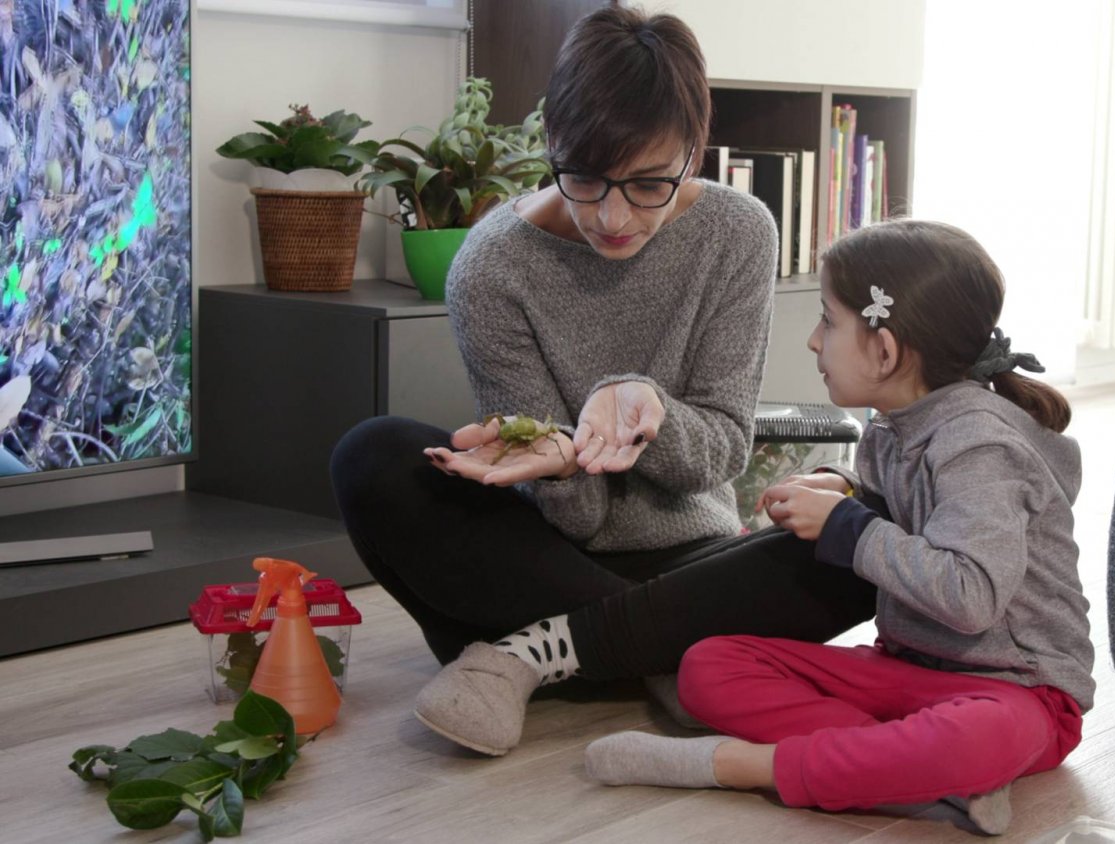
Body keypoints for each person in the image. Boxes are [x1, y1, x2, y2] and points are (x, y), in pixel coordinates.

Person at [328, 6, 874, 757]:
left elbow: (717, 457)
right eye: (584, 178)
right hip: (542, 560)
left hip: (693, 557)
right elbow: (575, 522)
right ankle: (673, 652)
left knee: (865, 540)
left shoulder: (737, 232)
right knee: (373, 455)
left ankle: (542, 655)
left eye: (648, 183)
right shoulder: (492, 268)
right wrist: (559, 457)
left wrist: (644, 404)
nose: (613, 216)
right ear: (550, 143)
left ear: (694, 151)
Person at [581, 219, 1095, 837]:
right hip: (911, 668)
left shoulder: (978, 444)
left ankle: (744, 765)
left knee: (982, 737)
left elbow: (972, 596)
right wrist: (845, 489)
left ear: (885, 350)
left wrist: (848, 526)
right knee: (708, 665)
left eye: (828, 320)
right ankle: (917, 773)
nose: (812, 341)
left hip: (1022, 694)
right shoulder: (891, 424)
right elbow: (908, 508)